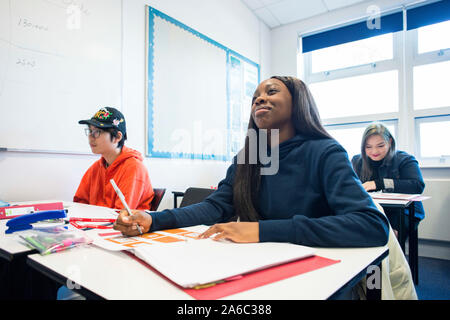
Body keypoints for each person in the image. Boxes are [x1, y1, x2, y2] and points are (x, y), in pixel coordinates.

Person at [114, 76, 389, 248]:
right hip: (259, 263)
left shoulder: (325, 151)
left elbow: (371, 226)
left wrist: (261, 231)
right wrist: (153, 219)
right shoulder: (249, 156)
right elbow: (216, 206)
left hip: (316, 271)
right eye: (255, 96)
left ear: (298, 103)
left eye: (271, 91)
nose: (259, 98)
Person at [351, 123, 425, 238]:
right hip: (372, 209)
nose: (374, 151)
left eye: (380, 146)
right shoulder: (357, 160)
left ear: (390, 142)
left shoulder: (405, 159)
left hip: (403, 212)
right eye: (368, 147)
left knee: (390, 237)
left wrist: (379, 184)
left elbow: (417, 185)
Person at [74, 107, 154, 210]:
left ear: (117, 137)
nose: (91, 137)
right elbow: (79, 203)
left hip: (124, 225)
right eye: (90, 130)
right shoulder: (96, 168)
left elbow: (121, 214)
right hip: (96, 224)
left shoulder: (134, 168)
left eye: (97, 132)